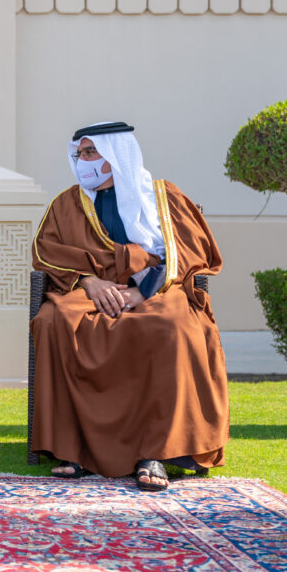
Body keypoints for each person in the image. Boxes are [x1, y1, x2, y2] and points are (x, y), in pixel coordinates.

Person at [30, 121, 227, 492]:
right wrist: (89, 282)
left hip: (156, 287)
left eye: (90, 152)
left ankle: (155, 453)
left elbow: (189, 251)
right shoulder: (67, 203)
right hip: (94, 289)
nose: (82, 160)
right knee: (54, 320)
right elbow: (46, 251)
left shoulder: (163, 197)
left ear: (114, 154)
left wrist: (142, 292)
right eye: (79, 153)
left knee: (171, 327)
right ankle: (75, 448)